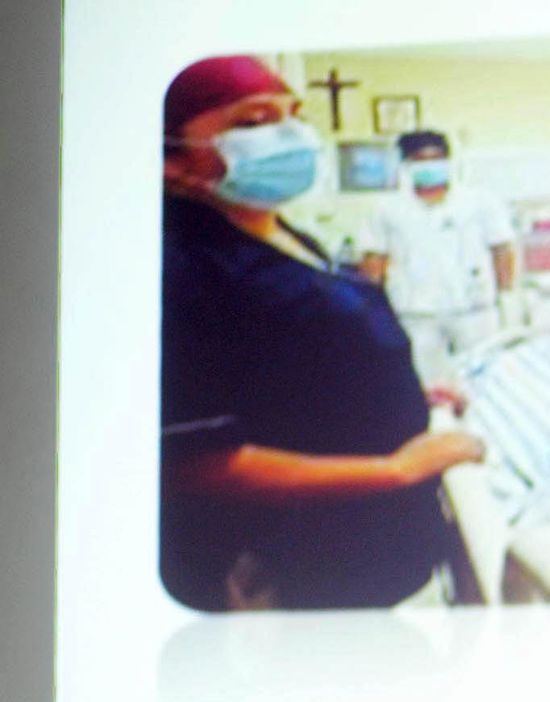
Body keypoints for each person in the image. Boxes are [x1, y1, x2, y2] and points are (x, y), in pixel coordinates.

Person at [160, 55, 485, 611]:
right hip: (296, 563)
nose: (286, 134)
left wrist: (397, 393)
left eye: (293, 114)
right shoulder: (184, 267)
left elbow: (291, 365)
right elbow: (195, 461)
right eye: (252, 122)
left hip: (372, 552)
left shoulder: (278, 229)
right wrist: (395, 470)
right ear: (173, 160)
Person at [358, 129, 518, 386]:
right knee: (425, 386)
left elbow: (502, 249)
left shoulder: (479, 201)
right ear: (406, 165)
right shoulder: (386, 208)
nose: (430, 165)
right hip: (415, 314)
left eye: (437, 157)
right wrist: (375, 310)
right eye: (420, 159)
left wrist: (506, 294)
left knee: (487, 380)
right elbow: (373, 260)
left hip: (475, 310)